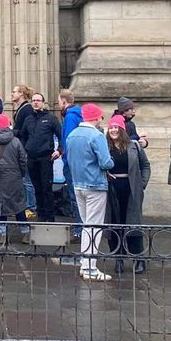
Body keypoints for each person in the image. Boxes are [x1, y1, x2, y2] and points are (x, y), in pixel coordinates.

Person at [68, 103, 114, 282]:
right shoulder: (96, 135)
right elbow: (106, 162)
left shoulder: (72, 135)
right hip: (95, 185)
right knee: (93, 227)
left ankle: (84, 263)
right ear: (97, 117)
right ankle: (90, 268)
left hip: (78, 184)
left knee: (87, 225)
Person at [106, 116, 150, 274]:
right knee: (114, 225)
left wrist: (142, 183)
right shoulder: (104, 146)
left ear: (122, 129)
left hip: (132, 189)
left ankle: (139, 259)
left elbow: (145, 165)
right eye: (111, 127)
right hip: (112, 190)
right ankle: (118, 258)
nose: (113, 130)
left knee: (133, 225)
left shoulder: (134, 146)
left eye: (116, 127)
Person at [0, 113, 29, 244]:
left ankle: (3, 234)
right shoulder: (15, 141)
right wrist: (21, 173)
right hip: (14, 177)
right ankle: (25, 232)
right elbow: (23, 159)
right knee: (18, 205)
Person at [18, 91, 61, 222]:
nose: (35, 102)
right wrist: (26, 148)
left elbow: (61, 135)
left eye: (38, 100)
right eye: (33, 100)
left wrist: (59, 150)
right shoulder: (28, 119)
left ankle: (50, 217)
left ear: (43, 102)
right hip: (31, 157)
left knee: (47, 188)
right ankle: (41, 215)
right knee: (36, 187)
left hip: (46, 157)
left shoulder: (51, 118)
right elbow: (23, 135)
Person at [56, 89, 84, 227]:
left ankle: (80, 229)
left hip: (72, 163)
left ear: (64, 101)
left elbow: (69, 139)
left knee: (75, 197)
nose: (58, 104)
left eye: (59, 101)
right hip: (78, 162)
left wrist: (66, 158)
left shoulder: (70, 117)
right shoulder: (77, 114)